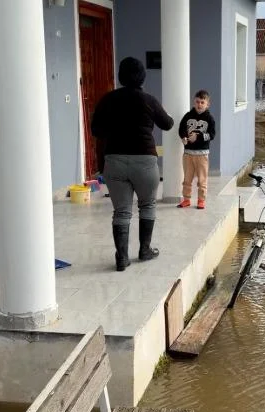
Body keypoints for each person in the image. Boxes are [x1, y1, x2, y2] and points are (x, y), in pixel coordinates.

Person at [91, 57, 174, 272]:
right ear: (142, 77)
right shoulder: (148, 100)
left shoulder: (108, 99)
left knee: (121, 211)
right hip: (145, 161)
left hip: (115, 161)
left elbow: (96, 130)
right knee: (147, 205)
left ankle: (122, 258)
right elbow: (168, 124)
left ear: (121, 76)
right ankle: (145, 250)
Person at [177, 90, 216, 209]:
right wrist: (183, 137)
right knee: (187, 179)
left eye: (202, 102)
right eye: (197, 102)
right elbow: (181, 129)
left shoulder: (210, 118)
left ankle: (201, 200)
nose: (199, 104)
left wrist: (198, 137)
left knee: (202, 179)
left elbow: (212, 135)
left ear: (207, 104)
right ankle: (186, 199)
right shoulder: (187, 116)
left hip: (202, 155)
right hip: (188, 154)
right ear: (194, 102)